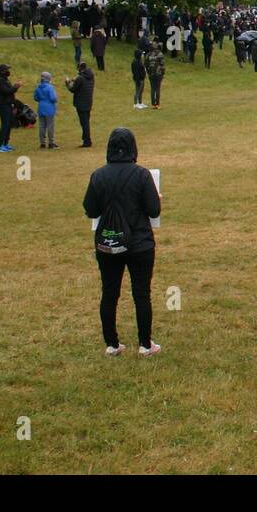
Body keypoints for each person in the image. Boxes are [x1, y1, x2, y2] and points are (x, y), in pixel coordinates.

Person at [83, 127, 162, 357]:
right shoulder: (141, 175)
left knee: (109, 292)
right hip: (140, 243)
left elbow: (90, 209)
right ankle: (145, 344)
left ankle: (112, 343)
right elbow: (153, 210)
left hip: (108, 241)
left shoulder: (98, 175)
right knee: (141, 293)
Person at [0, 64, 21, 152]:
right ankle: (0, 146)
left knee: (8, 124)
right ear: (2, 71)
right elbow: (6, 92)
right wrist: (16, 87)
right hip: (2, 104)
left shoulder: (4, 79)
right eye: (7, 70)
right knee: (5, 124)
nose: (8, 71)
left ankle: (6, 144)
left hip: (8, 104)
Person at [65, 62, 95, 147]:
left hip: (81, 104)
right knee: (86, 122)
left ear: (80, 69)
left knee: (84, 123)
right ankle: (86, 139)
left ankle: (87, 141)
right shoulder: (91, 76)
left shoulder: (80, 78)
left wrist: (67, 83)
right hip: (88, 102)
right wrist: (76, 79)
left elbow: (73, 89)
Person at [34, 72, 59, 149]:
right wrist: (56, 97)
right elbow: (53, 98)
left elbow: (35, 98)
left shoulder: (38, 87)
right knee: (50, 126)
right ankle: (51, 143)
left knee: (42, 126)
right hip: (49, 108)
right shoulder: (50, 87)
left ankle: (42, 143)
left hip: (41, 107)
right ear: (48, 78)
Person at [144, 40, 166, 109]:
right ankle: (157, 104)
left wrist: (148, 72)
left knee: (152, 88)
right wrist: (163, 73)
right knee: (158, 88)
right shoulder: (160, 54)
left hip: (151, 74)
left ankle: (153, 104)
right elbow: (162, 65)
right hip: (158, 74)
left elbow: (146, 64)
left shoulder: (148, 54)